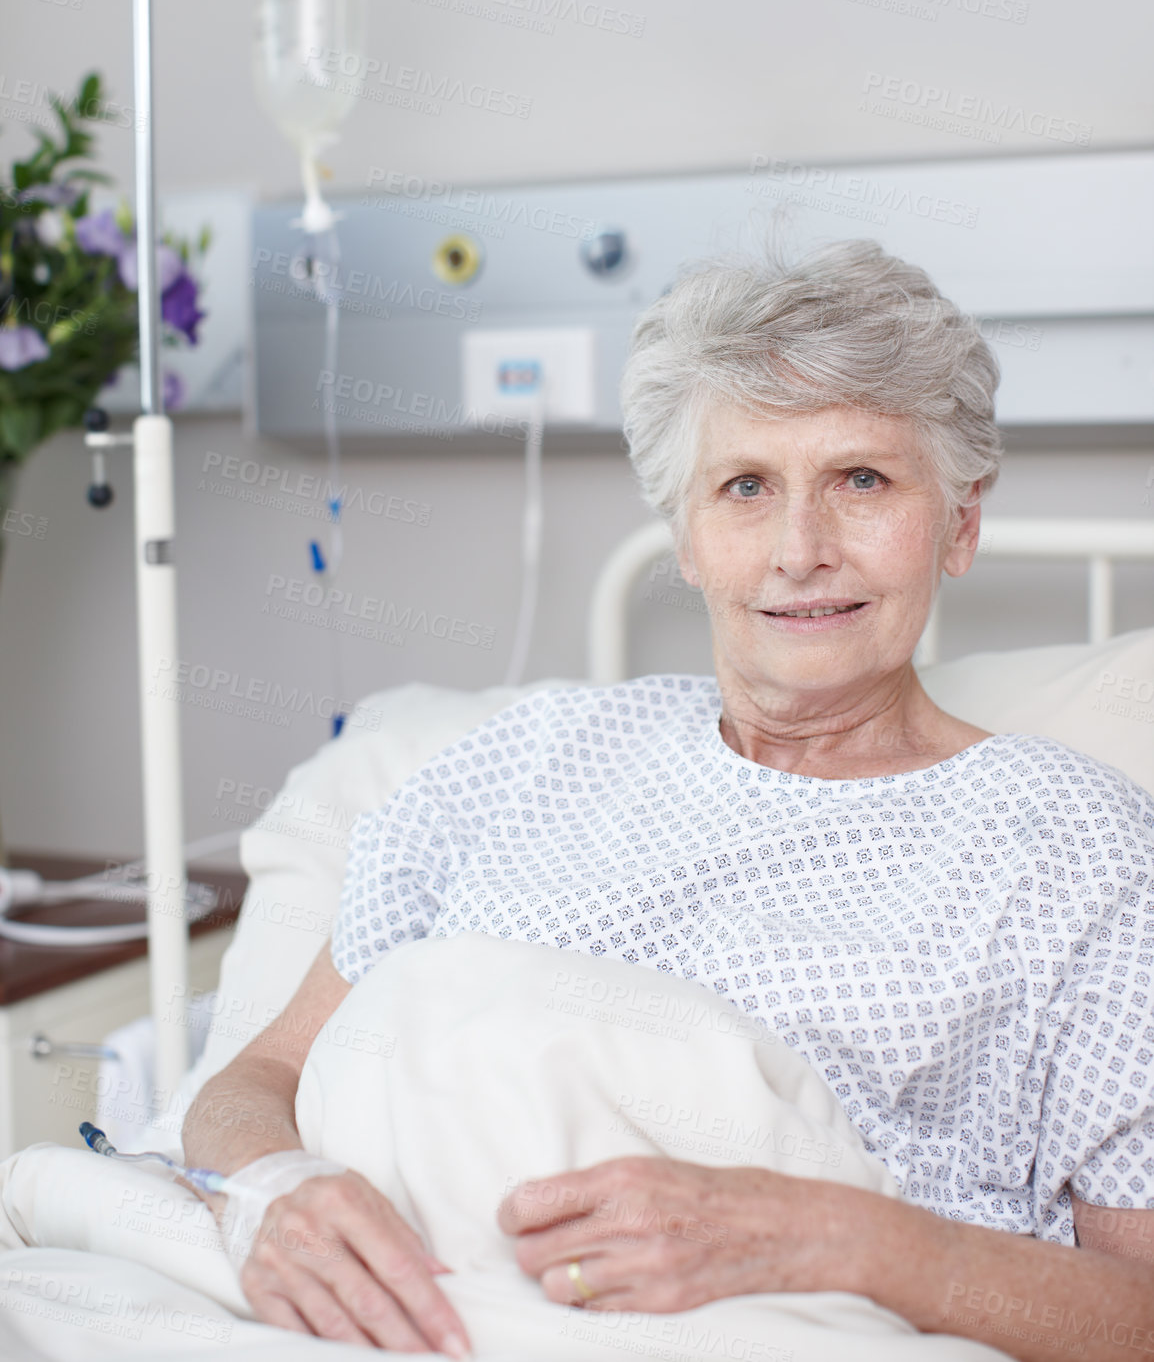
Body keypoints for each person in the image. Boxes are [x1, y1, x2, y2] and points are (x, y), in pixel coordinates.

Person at [184, 237, 1154, 1360]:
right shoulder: (523, 761)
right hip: (379, 1310)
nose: (800, 550)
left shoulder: (1077, 851)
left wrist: (845, 1240)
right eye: (744, 486)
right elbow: (251, 1081)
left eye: (863, 480)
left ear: (960, 521)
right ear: (685, 537)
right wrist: (267, 1191)